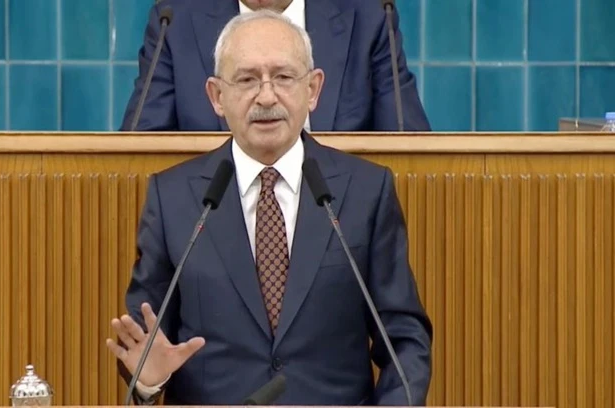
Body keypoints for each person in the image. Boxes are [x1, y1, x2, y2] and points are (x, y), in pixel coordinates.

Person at [106, 10, 432, 406]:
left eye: (283, 77)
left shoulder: (366, 191)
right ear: (216, 96)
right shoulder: (172, 198)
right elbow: (142, 345)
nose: (266, 96)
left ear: (313, 89)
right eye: (246, 79)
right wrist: (147, 379)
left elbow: (404, 341)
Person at [118, 0, 430, 132]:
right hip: (212, 228)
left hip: (341, 225)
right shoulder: (176, 19)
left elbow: (409, 148)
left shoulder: (368, 15)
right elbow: (138, 151)